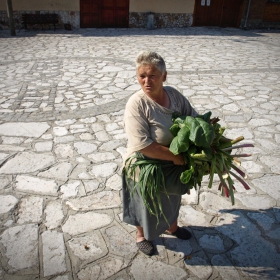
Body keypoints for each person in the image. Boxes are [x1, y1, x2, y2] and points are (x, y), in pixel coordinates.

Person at [122, 51, 198, 256]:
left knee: (172, 197)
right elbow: (143, 145)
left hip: (173, 162)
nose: (146, 81)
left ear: (164, 76)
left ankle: (171, 227)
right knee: (143, 201)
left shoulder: (174, 95)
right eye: (141, 76)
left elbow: (194, 118)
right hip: (145, 163)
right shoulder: (136, 104)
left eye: (153, 75)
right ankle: (141, 236)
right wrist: (176, 157)